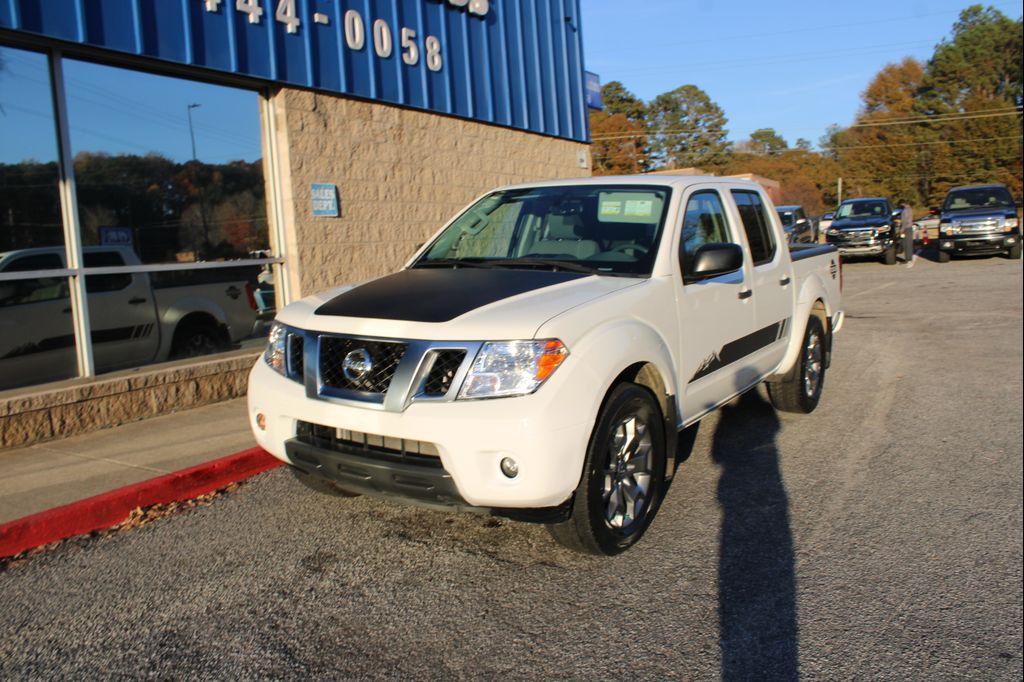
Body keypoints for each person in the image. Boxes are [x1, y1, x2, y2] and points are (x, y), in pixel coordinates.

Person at [900, 202, 915, 267]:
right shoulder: (910, 209)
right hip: (910, 227)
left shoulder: (905, 211)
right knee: (909, 243)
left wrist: (902, 230)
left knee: (906, 244)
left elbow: (905, 221)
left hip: (906, 228)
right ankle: (909, 258)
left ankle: (907, 259)